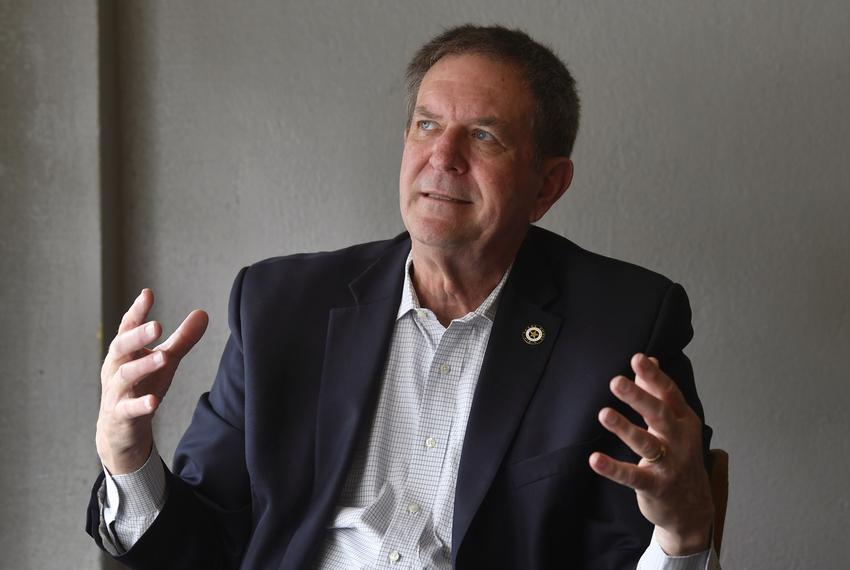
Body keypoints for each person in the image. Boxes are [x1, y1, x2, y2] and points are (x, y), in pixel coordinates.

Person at [88, 25, 720, 569]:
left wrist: (684, 530)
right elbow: (203, 547)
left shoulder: (624, 326)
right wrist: (130, 458)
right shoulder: (280, 306)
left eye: (483, 136)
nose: (441, 157)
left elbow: (635, 543)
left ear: (547, 185)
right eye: (426, 125)